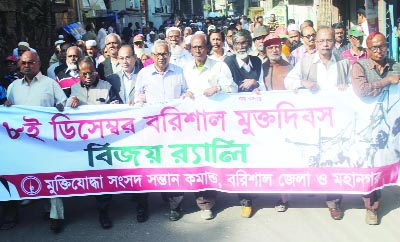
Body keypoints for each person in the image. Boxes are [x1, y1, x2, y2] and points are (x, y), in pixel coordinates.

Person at [285, 26, 351, 221]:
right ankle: (313, 187)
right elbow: (289, 81)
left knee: (333, 159)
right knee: (313, 156)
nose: (325, 44)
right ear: (315, 42)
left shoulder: (344, 63)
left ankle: (334, 202)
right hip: (312, 121)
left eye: (328, 40)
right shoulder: (305, 62)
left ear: (334, 42)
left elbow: (352, 88)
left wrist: (345, 87)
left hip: (336, 121)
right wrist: (303, 83)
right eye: (321, 41)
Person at [4, 51, 67, 232]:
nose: (27, 66)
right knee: (34, 176)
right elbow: (9, 111)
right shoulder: (13, 87)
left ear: (39, 64)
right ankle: (46, 209)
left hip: (47, 141)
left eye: (30, 62)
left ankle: (56, 215)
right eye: (23, 63)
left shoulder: (50, 84)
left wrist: (64, 105)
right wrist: (7, 107)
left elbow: (64, 104)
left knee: (52, 176)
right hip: (24, 143)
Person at [183, 33, 237, 220]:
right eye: (194, 47)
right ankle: (203, 203)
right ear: (190, 50)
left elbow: (233, 88)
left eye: (201, 47)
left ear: (207, 47)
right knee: (198, 160)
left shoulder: (220, 66)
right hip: (194, 124)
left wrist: (218, 88)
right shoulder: (185, 68)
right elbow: (182, 91)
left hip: (215, 123)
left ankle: (213, 198)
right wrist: (187, 93)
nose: (198, 50)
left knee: (213, 159)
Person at [134, 40, 188, 221]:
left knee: (173, 167)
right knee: (146, 168)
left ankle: (175, 206)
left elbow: (186, 94)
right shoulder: (143, 74)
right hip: (150, 130)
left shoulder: (179, 72)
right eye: (157, 54)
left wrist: (187, 96)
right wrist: (140, 100)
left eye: (164, 54)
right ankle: (142, 207)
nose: (161, 58)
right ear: (152, 56)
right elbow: (137, 97)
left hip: (174, 130)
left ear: (169, 55)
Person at [350, 32, 400, 225]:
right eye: (374, 48)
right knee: (370, 164)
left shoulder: (395, 65)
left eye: (383, 47)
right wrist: (387, 81)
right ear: (367, 49)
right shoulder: (359, 66)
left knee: (390, 159)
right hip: (366, 126)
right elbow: (362, 91)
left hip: (392, 125)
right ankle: (371, 208)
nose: (379, 51)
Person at [224, 29, 266, 94]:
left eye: (243, 43)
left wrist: (255, 83)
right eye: (237, 43)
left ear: (249, 44)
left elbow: (262, 85)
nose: (240, 47)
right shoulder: (228, 63)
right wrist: (244, 85)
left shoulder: (257, 61)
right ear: (234, 46)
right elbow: (227, 87)